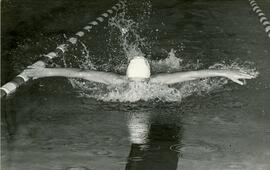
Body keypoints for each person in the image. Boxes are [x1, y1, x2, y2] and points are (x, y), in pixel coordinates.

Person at [23, 56, 256, 86]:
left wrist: (225, 72)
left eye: (140, 82)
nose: (135, 86)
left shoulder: (158, 81)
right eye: (132, 81)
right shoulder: (115, 80)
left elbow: (195, 74)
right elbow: (80, 73)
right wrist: (46, 72)